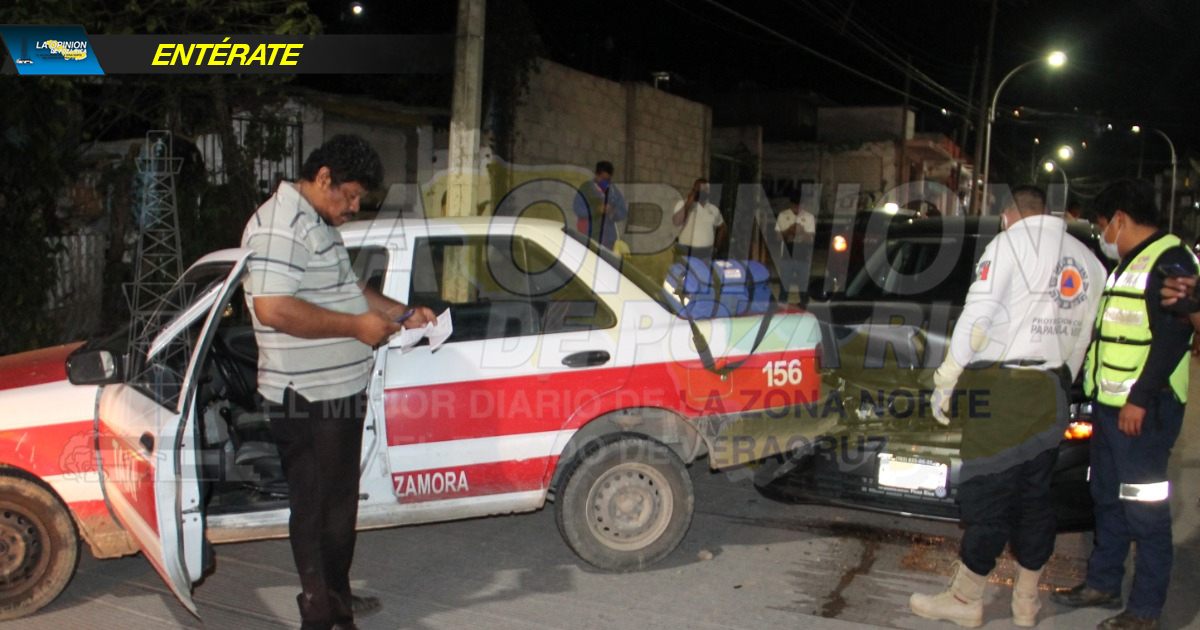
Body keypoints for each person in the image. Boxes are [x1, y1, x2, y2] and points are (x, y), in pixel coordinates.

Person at [241, 135, 436, 630]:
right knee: (319, 508)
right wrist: (357, 328)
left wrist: (403, 313)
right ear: (323, 177)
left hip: (336, 392)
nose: (352, 208)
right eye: (348, 195)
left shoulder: (318, 224)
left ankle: (335, 598)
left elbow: (350, 292)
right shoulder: (279, 225)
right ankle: (322, 614)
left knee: (338, 507)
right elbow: (274, 308)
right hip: (307, 398)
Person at [909, 185, 1106, 628]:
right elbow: (1081, 341)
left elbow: (976, 320)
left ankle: (965, 601)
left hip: (1002, 390)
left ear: (1007, 216)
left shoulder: (1010, 244)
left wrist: (946, 379)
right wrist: (1059, 381)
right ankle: (1026, 601)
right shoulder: (1089, 261)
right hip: (1050, 390)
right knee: (1034, 498)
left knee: (986, 495)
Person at [1050, 179, 1197, 630]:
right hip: (1112, 408)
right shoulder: (1131, 263)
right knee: (1107, 497)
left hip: (1144, 413)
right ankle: (1102, 582)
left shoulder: (1171, 260)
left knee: (1144, 508)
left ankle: (1146, 609)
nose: (1103, 237)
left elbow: (1174, 337)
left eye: (1102, 226)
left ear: (1119, 219)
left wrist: (1138, 399)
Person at [573, 160, 628, 248]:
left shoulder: (614, 192)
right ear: (596, 175)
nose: (605, 182)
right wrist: (598, 209)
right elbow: (578, 209)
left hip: (608, 240)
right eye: (603, 178)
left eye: (608, 179)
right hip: (588, 236)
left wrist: (612, 212)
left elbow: (623, 213)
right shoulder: (586, 189)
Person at [774, 191, 816, 304]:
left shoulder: (809, 217)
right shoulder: (783, 215)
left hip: (803, 257)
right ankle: (782, 310)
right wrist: (790, 230)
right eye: (795, 206)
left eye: (800, 206)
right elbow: (778, 237)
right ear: (791, 204)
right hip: (787, 257)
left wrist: (801, 232)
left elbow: (810, 239)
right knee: (784, 288)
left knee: (804, 289)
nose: (797, 209)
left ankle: (804, 307)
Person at [672, 177, 727, 260]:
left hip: (705, 254)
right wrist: (689, 202)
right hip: (685, 251)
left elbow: (722, 228)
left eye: (705, 189)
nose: (701, 192)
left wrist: (716, 248)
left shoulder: (713, 209)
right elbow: (677, 222)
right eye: (698, 189)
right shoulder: (682, 204)